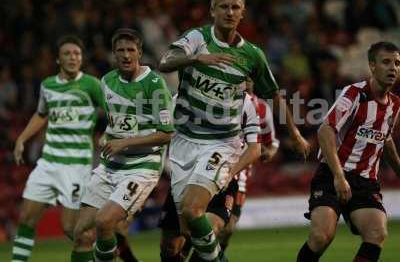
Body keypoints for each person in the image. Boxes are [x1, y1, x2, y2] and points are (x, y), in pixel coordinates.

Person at [159, 0, 310, 261]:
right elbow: (165, 61)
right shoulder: (197, 38)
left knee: (194, 212)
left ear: (243, 13)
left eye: (235, 7)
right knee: (183, 231)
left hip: (221, 142)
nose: (230, 12)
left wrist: (296, 134)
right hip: (183, 142)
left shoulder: (252, 55)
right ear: (212, 10)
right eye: (224, 6)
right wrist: (196, 59)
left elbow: (275, 95)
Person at [71, 28, 174, 262]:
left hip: (141, 167)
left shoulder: (154, 83)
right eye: (121, 51)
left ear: (139, 52)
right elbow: (115, 123)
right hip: (110, 167)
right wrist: (107, 137)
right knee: (81, 236)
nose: (126, 55)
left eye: (131, 50)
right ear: (113, 54)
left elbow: (166, 134)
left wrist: (124, 142)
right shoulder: (107, 81)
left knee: (104, 221)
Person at [297, 41, 400, 262]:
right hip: (333, 175)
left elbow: (385, 137)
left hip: (365, 183)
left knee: (377, 233)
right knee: (321, 236)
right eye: (386, 62)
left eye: (397, 63)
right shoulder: (355, 93)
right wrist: (338, 176)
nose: (393, 68)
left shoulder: (395, 104)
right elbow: (325, 130)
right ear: (372, 66)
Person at [11, 35, 103, 262]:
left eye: (77, 54)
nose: (73, 57)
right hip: (48, 163)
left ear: (81, 58)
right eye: (67, 54)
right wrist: (22, 138)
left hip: (76, 167)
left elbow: (114, 112)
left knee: (72, 228)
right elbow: (41, 114)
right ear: (58, 60)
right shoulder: (48, 85)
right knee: (26, 219)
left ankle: (103, 253)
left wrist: (110, 135)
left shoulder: (92, 85)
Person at [159, 90, 262, 262]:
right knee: (171, 247)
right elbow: (163, 134)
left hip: (220, 178)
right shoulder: (180, 99)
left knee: (209, 230)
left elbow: (255, 148)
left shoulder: (245, 102)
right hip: (183, 178)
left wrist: (230, 173)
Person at [218, 78, 280, 253]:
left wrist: (269, 152)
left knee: (228, 227)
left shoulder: (262, 107)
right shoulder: (222, 102)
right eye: (244, 76)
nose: (248, 80)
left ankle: (217, 253)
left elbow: (272, 142)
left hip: (241, 174)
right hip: (216, 166)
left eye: (251, 76)